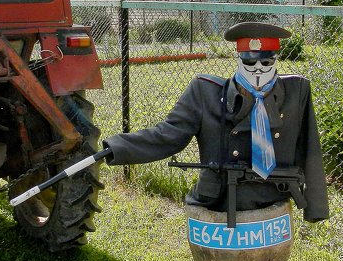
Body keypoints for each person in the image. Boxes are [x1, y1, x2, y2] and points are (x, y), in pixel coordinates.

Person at [102, 21, 329, 222]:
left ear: (276, 60)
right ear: (238, 59)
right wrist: (117, 148)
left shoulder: (296, 92)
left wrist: (315, 207)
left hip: (272, 204)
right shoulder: (206, 92)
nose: (258, 69)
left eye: (266, 62)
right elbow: (168, 135)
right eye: (250, 63)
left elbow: (311, 150)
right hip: (217, 202)